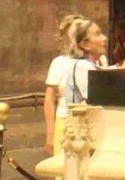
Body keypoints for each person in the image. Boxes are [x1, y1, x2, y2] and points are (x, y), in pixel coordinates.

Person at [44, 15, 108, 153]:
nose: (104, 39)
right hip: (71, 122)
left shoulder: (99, 60)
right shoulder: (66, 63)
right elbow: (50, 99)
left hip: (91, 124)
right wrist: (50, 134)